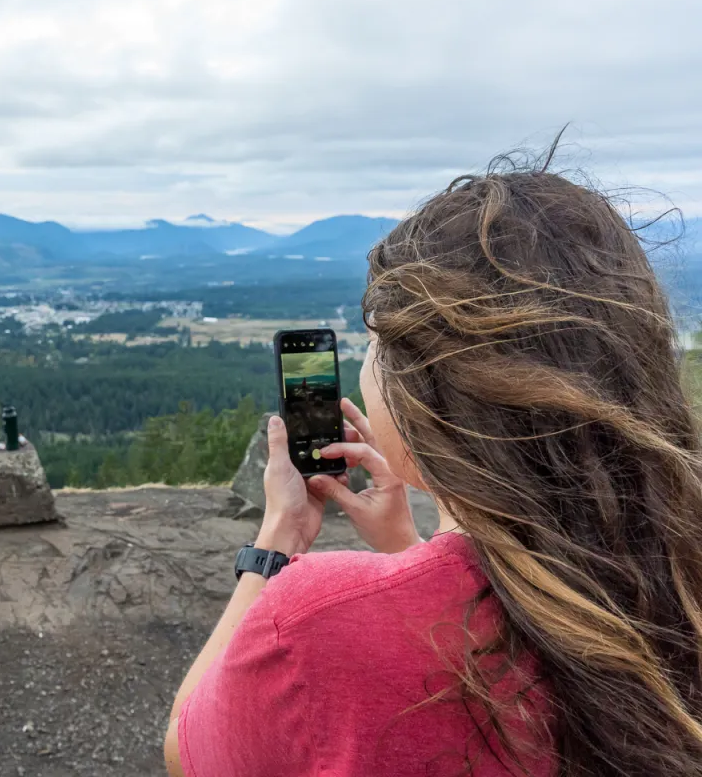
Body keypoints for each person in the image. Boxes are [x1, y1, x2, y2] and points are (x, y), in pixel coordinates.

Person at [165, 152, 702, 776]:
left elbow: (189, 752)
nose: (366, 367)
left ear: (427, 403)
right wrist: (407, 551)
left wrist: (277, 541)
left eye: (375, 345)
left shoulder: (312, 621)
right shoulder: (669, 580)